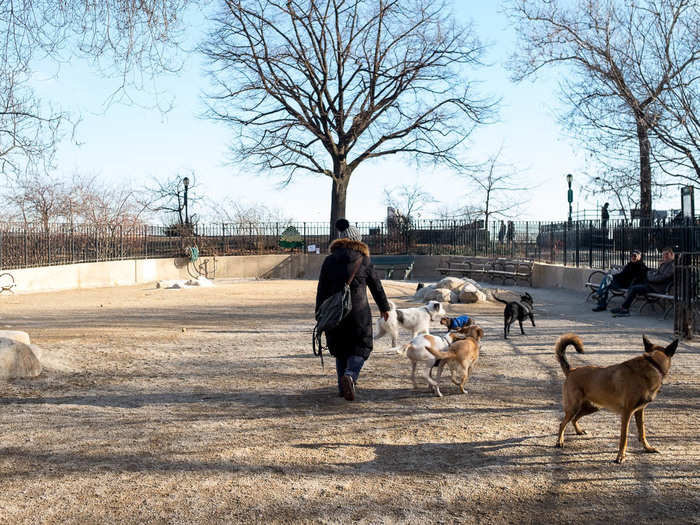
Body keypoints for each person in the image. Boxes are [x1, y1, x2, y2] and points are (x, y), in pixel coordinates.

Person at [315, 218, 391, 401]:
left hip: (335, 313)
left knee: (340, 349)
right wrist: (384, 308)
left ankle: (343, 388)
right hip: (359, 312)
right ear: (358, 241)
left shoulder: (329, 260)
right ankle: (350, 375)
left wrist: (319, 312)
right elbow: (376, 286)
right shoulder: (363, 260)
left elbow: (322, 288)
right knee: (361, 347)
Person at [610, 247, 675, 316]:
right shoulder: (665, 263)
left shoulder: (672, 265)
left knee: (635, 288)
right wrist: (651, 275)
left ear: (672, 254)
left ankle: (624, 308)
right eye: (663, 255)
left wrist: (650, 277)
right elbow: (655, 274)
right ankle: (624, 307)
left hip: (658, 288)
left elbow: (662, 277)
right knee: (634, 286)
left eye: (667, 254)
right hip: (652, 285)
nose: (664, 256)